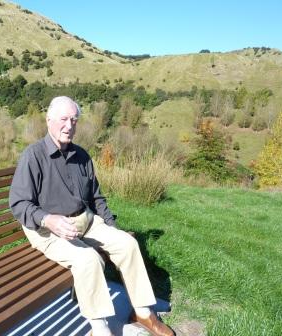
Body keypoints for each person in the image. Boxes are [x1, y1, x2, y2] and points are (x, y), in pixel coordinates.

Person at [9, 96, 174, 336]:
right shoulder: (33, 157)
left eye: (74, 120)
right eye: (64, 119)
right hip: (46, 228)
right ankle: (100, 328)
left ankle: (142, 312)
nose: (69, 126)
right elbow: (18, 204)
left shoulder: (82, 156)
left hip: (84, 221)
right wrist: (48, 219)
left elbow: (96, 198)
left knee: (127, 244)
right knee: (88, 259)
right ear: (49, 121)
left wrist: (112, 227)